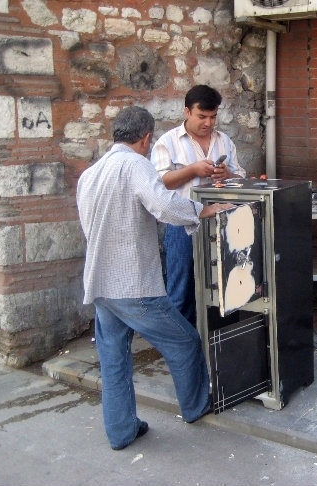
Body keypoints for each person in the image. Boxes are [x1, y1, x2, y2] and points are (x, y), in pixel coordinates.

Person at [76, 106, 233, 451]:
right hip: (133, 285)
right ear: (146, 138)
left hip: (101, 285)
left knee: (114, 359)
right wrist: (202, 211)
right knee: (184, 341)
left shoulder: (92, 172)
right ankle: (195, 408)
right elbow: (162, 205)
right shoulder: (135, 165)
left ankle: (121, 431)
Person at [150, 85, 246, 325]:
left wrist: (228, 175)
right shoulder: (168, 142)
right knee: (181, 287)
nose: (208, 123)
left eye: (213, 117)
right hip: (182, 223)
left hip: (222, 222)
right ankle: (181, 348)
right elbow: (159, 183)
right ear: (187, 112)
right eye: (202, 116)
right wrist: (192, 170)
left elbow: (242, 179)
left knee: (223, 284)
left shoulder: (224, 141)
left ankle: (216, 343)